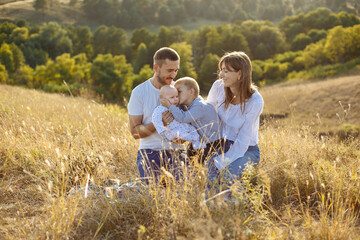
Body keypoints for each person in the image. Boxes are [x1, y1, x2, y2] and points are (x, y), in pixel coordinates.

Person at [127, 47, 185, 184]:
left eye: (176, 70)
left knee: (184, 192)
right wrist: (159, 123)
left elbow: (189, 122)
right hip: (149, 151)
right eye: (169, 70)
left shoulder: (181, 90)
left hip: (176, 152)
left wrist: (182, 138)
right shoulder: (139, 92)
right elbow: (135, 133)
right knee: (149, 195)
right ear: (156, 68)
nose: (173, 75)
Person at [206, 51, 264, 183]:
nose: (221, 75)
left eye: (226, 71)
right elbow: (207, 114)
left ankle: (231, 203)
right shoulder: (218, 87)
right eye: (221, 70)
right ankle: (210, 203)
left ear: (240, 73)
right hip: (222, 144)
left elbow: (243, 142)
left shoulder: (255, 101)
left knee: (227, 176)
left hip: (247, 150)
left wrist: (220, 162)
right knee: (208, 175)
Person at [160, 77, 222, 164]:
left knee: (201, 163)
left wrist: (170, 106)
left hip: (214, 143)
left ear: (191, 92)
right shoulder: (187, 105)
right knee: (189, 155)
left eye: (179, 92)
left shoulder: (200, 106)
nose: (176, 96)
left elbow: (183, 118)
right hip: (201, 142)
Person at [152, 85, 205, 150]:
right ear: (163, 100)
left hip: (182, 126)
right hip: (173, 130)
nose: (176, 99)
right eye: (172, 97)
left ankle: (196, 143)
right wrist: (162, 130)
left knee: (193, 129)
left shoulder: (176, 106)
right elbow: (155, 120)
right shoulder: (160, 109)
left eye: (177, 96)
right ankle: (193, 139)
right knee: (184, 134)